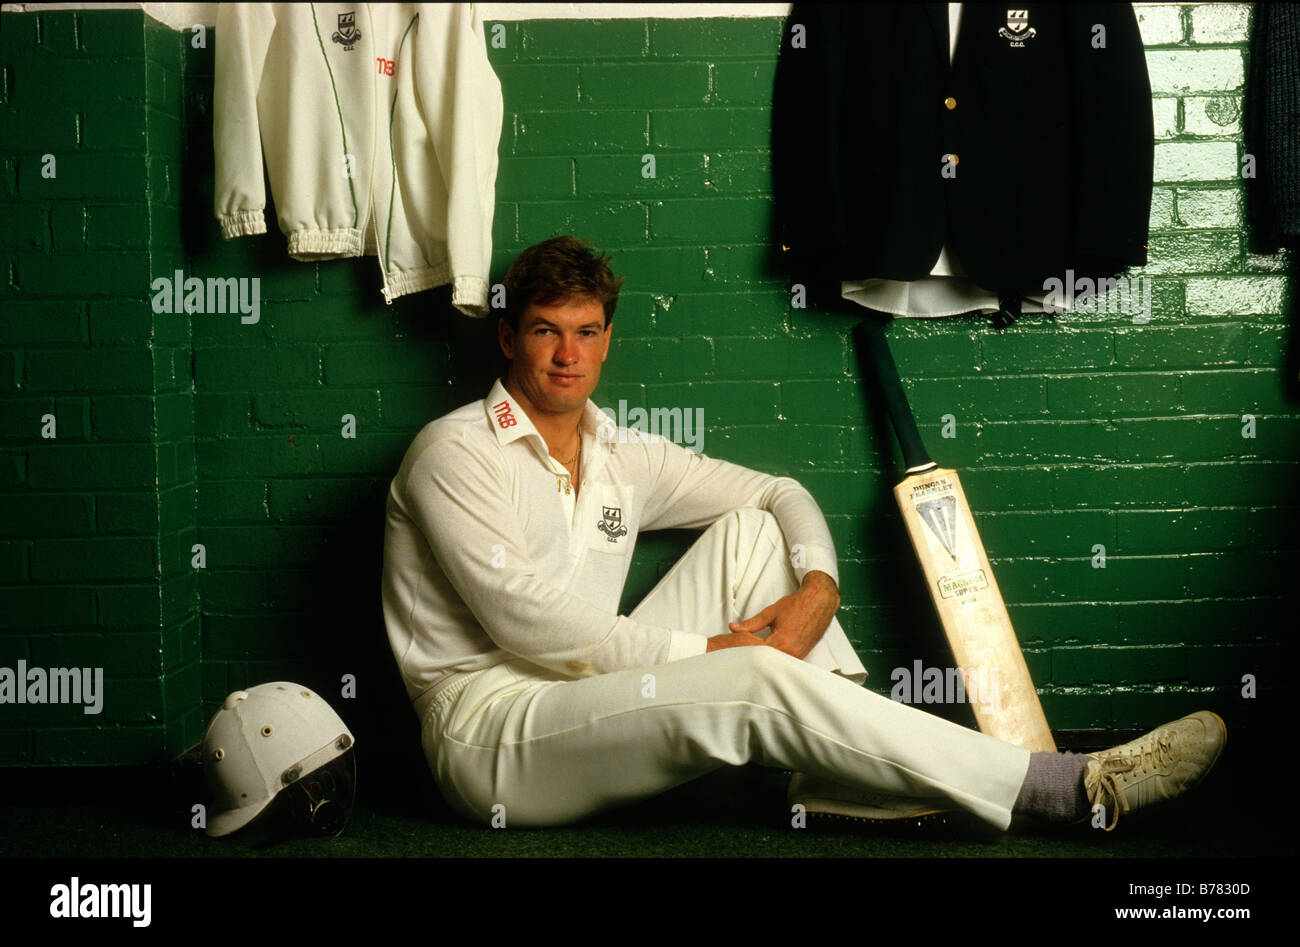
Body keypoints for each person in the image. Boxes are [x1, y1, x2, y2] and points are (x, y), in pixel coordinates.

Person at [381, 236, 1225, 831]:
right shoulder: (454, 451)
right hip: (489, 733)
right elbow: (530, 627)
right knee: (746, 674)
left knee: (752, 531)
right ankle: (1072, 787)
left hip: (588, 695)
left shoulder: (618, 451)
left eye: (586, 331)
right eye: (544, 330)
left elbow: (778, 491)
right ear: (507, 337)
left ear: (608, 342)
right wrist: (714, 651)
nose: (567, 354)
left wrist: (820, 586)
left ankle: (823, 772)